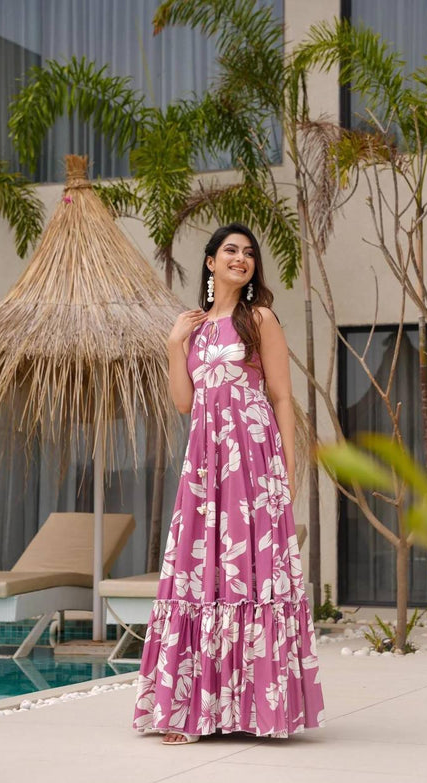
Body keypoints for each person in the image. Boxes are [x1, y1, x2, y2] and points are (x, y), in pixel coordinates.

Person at [133, 222, 325, 744]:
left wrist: (281, 471)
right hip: (204, 465)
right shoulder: (191, 328)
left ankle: (254, 709)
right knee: (199, 573)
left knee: (247, 573)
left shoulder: (260, 319)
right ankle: (193, 710)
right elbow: (183, 403)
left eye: (249, 253)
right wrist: (175, 344)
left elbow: (283, 398)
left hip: (253, 461)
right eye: (230, 251)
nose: (241, 258)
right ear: (212, 263)